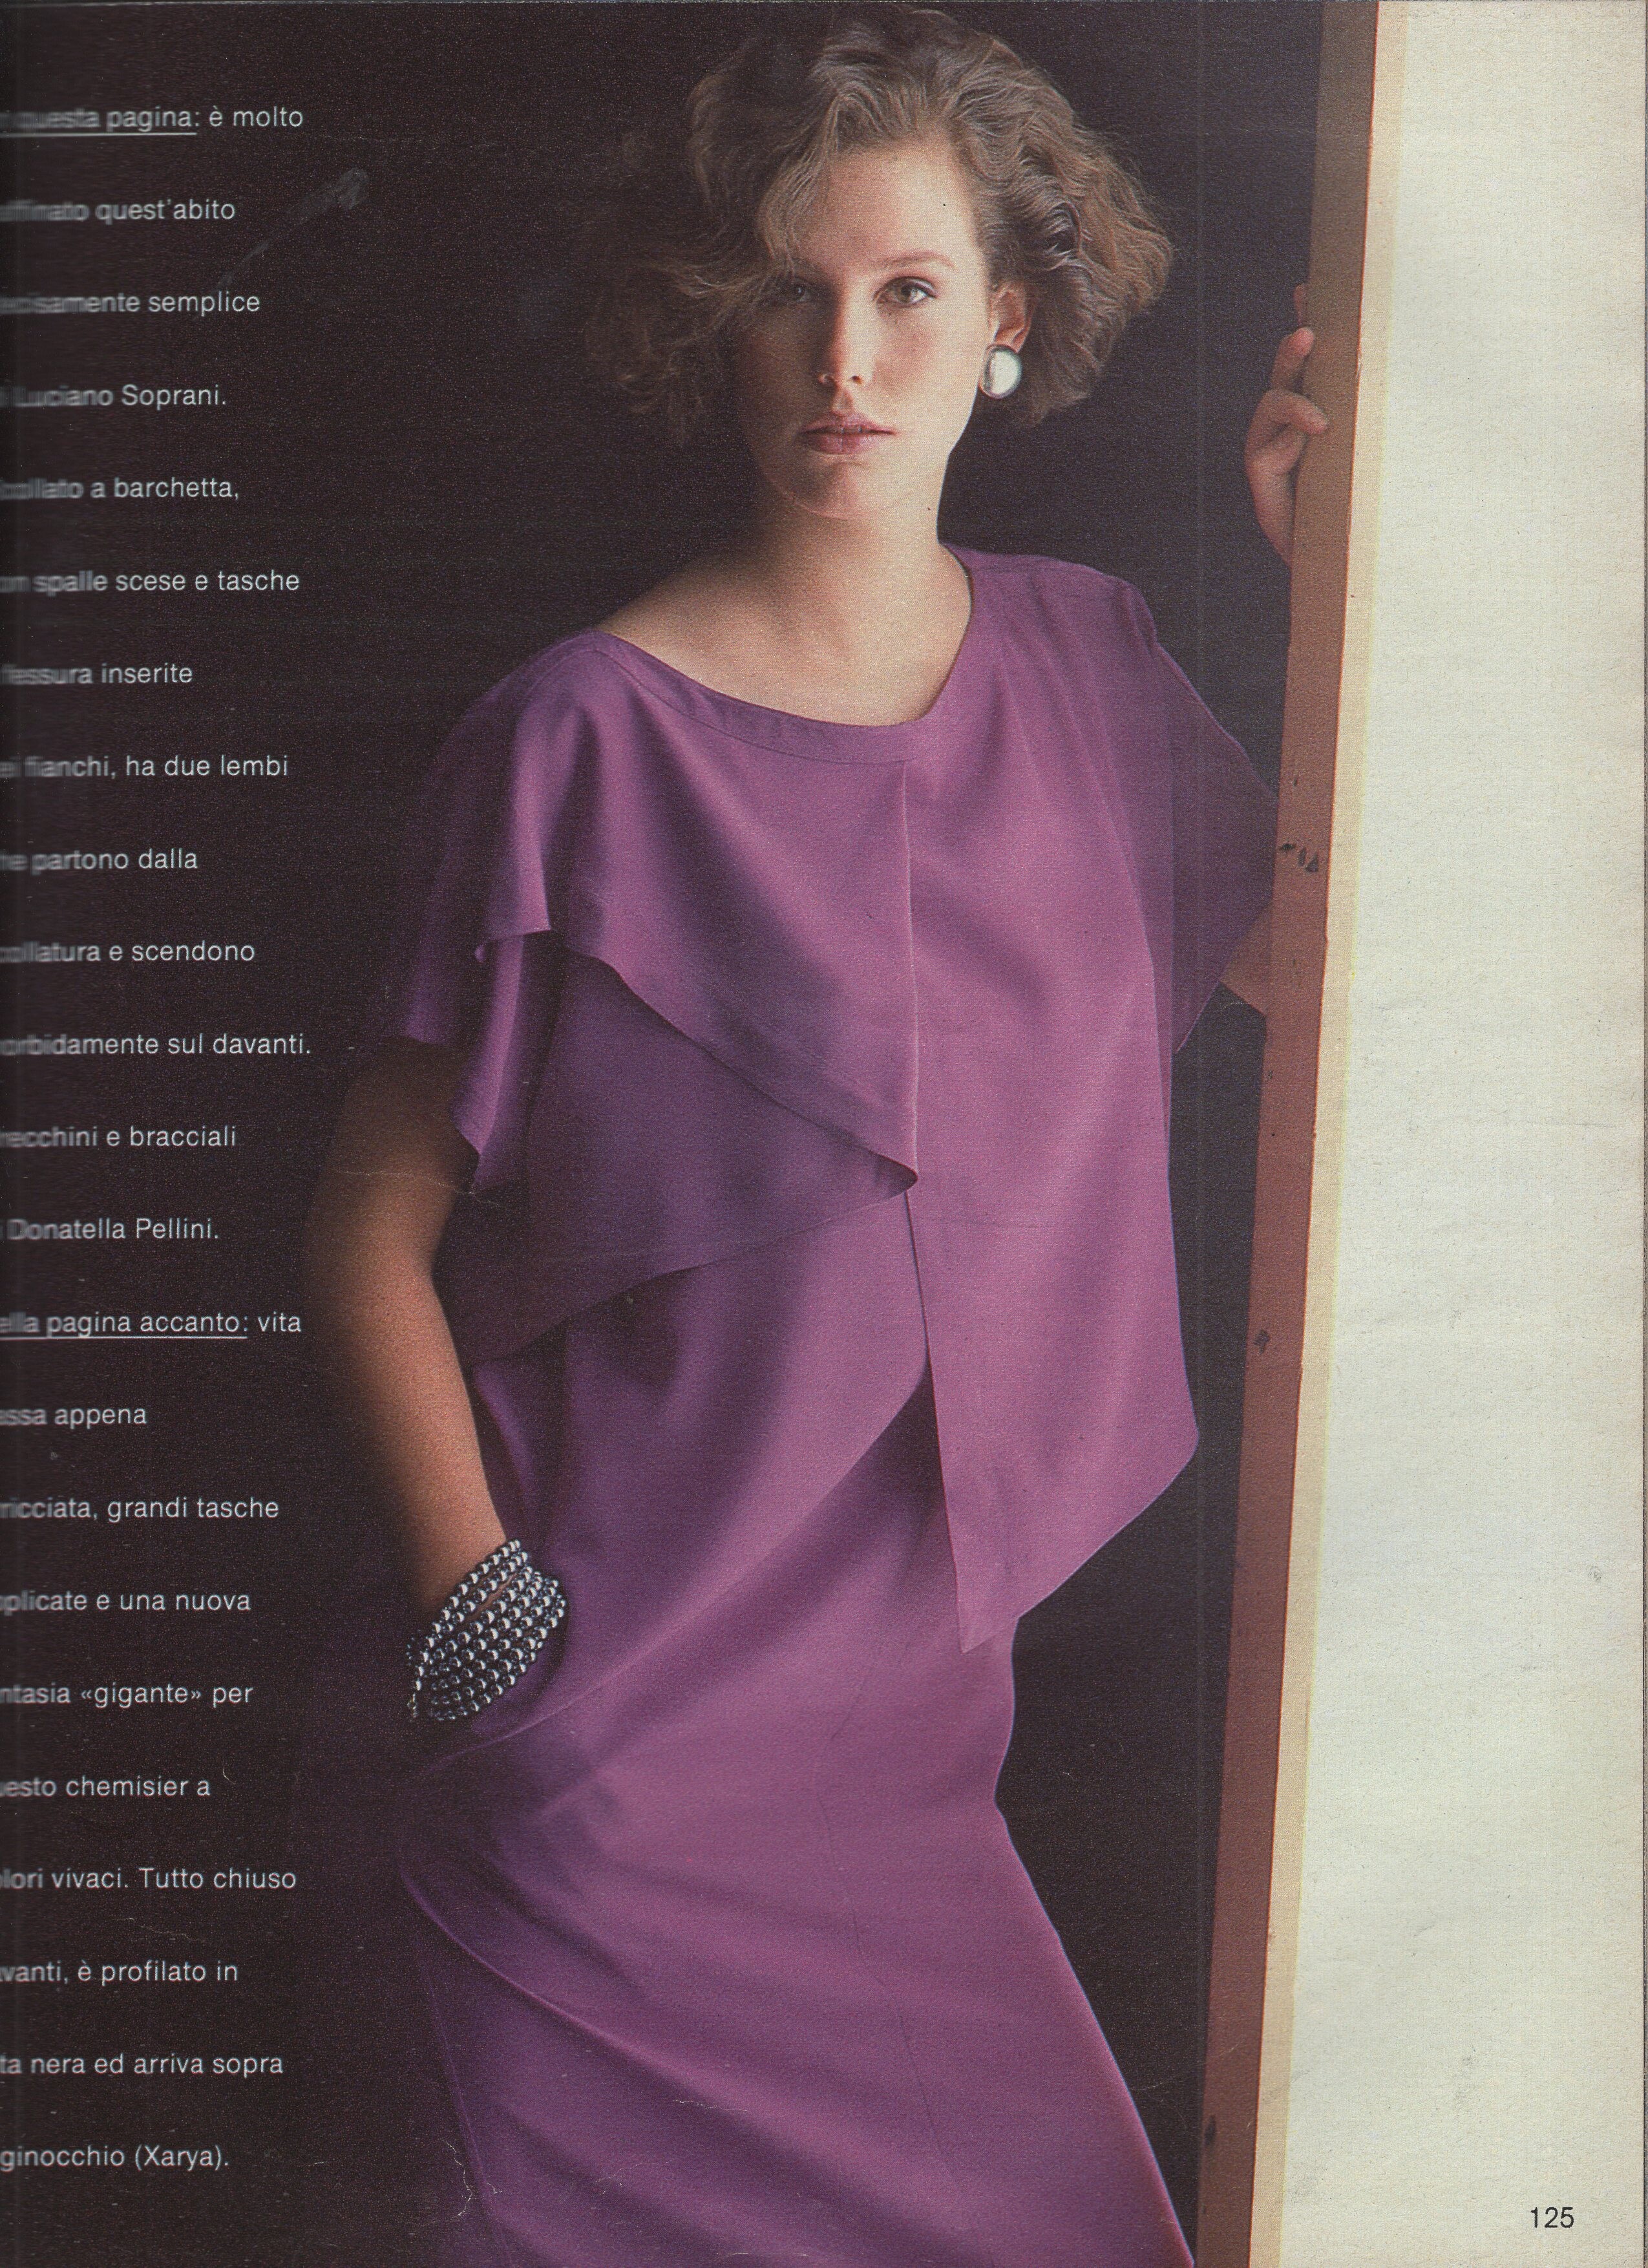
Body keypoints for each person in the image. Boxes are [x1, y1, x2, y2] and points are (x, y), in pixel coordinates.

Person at [299, 12, 1324, 2265]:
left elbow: (1328, 973)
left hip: (904, 1776)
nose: (846, 358)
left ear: (1010, 319)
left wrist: (1316, 571)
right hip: (605, 1763)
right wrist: (490, 1630)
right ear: (715, 318)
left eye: (908, 290)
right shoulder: (575, 736)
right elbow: (363, 1236)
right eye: (788, 290)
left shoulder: (1091, 664)